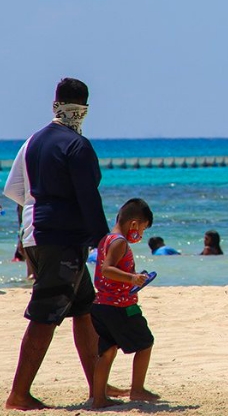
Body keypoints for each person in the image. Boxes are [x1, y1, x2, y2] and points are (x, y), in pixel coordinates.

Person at [3, 78, 113, 410]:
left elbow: (15, 192)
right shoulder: (78, 146)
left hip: (37, 232)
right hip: (62, 240)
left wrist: (26, 236)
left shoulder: (32, 142)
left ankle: (98, 386)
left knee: (84, 309)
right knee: (44, 314)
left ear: (55, 104)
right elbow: (88, 196)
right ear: (85, 110)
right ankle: (19, 395)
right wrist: (104, 241)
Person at [91, 198, 159, 408]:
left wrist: (135, 279)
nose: (141, 234)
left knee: (108, 350)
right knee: (145, 342)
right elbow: (107, 269)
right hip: (119, 306)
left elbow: (108, 272)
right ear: (134, 224)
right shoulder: (120, 242)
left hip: (101, 304)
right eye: (143, 229)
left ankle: (99, 399)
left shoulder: (106, 239)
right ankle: (137, 390)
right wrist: (131, 278)